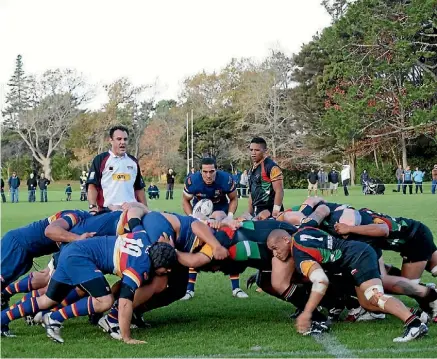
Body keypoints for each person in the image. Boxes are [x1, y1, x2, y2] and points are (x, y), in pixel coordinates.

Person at [1, 229, 177, 344]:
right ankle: (54, 318)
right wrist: (127, 337)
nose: (167, 271)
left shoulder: (145, 236)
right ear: (156, 261)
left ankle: (2, 320)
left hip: (72, 251)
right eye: (166, 268)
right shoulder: (140, 266)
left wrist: (167, 248)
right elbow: (124, 302)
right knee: (105, 301)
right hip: (80, 257)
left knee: (47, 300)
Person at [267, 220, 429, 342]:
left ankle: (414, 324)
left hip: (357, 258)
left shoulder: (299, 255)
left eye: (275, 248)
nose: (275, 254)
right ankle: (417, 314)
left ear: (285, 239)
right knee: (367, 303)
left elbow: (321, 281)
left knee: (374, 296)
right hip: (358, 253)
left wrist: (307, 312)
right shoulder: (304, 230)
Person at [181, 157, 246, 299]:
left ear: (216, 170)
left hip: (221, 215)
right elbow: (185, 200)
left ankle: (236, 288)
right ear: (200, 171)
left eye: (212, 171)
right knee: (194, 246)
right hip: (201, 216)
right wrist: (193, 217)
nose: (208, 175)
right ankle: (189, 289)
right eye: (205, 172)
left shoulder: (225, 179)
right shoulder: (192, 181)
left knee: (230, 246)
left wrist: (229, 216)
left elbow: (233, 198)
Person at [86, 125, 146, 214]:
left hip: (132, 211)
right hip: (108, 211)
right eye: (119, 139)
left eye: (125, 139)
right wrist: (92, 206)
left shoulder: (133, 161)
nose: (123, 142)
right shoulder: (100, 159)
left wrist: (145, 208)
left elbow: (139, 188)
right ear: (111, 140)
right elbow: (92, 186)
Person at [248, 137, 284, 218]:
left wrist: (275, 212)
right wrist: (249, 214)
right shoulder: (251, 169)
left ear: (265, 151)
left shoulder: (271, 167)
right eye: (251, 150)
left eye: (257, 150)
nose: (253, 153)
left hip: (268, 212)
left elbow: (279, 190)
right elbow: (252, 193)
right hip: (256, 212)